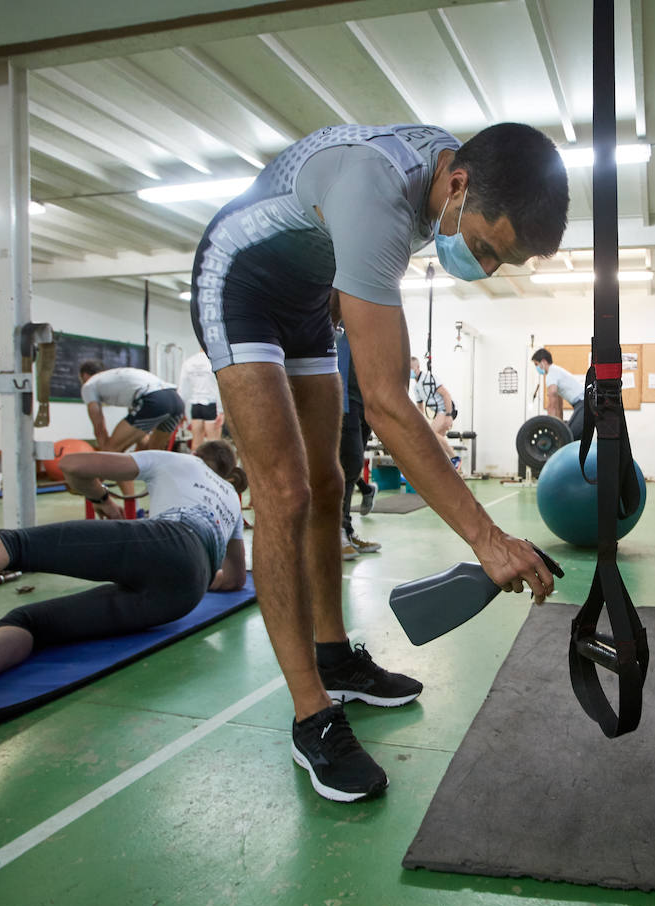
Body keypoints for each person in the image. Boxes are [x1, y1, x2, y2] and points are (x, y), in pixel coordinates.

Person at [189, 121, 567, 803]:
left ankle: (335, 657)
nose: (482, 268)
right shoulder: (377, 191)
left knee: (329, 483)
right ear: (457, 185)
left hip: (309, 301)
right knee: (283, 493)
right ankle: (312, 714)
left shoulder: (448, 174)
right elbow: (390, 406)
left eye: (497, 262)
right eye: (484, 247)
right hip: (240, 285)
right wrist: (488, 538)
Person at [0, 441, 248, 730]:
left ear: (197, 456)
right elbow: (232, 580)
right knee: (31, 622)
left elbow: (74, 464)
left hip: (167, 539)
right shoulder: (231, 495)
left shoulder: (178, 461)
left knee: (14, 545)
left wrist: (100, 498)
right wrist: (192, 571)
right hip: (184, 595)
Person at [78, 361, 185, 453]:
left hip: (154, 400)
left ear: (84, 375)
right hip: (176, 400)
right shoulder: (115, 377)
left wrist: (105, 450)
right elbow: (140, 431)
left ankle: (117, 476)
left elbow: (99, 428)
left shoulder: (89, 385)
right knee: (153, 452)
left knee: (111, 449)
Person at [337, 327, 379, 559]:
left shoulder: (369, 322)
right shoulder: (337, 319)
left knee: (352, 470)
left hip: (364, 402)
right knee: (350, 464)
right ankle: (338, 532)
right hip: (343, 401)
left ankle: (347, 531)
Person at [411, 356, 460, 469]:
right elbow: (420, 406)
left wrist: (448, 415)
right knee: (436, 442)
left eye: (411, 369)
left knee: (430, 434)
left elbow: (446, 394)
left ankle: (454, 458)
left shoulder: (429, 377)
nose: (410, 372)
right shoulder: (416, 387)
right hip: (439, 412)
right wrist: (421, 423)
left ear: (417, 367)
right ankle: (444, 466)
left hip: (447, 409)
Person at [532, 347, 585, 439]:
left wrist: (551, 426)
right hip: (583, 403)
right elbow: (558, 405)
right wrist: (559, 425)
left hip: (584, 403)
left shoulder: (551, 374)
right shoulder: (556, 372)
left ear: (543, 361)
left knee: (569, 436)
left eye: (536, 364)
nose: (536, 368)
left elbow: (552, 399)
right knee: (571, 436)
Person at [178, 350, 225, 451]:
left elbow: (182, 390)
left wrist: (181, 411)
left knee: (196, 444)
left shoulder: (189, 362)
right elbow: (219, 386)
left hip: (196, 406)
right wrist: (221, 411)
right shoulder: (214, 361)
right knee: (214, 445)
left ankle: (195, 466)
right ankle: (213, 467)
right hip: (211, 405)